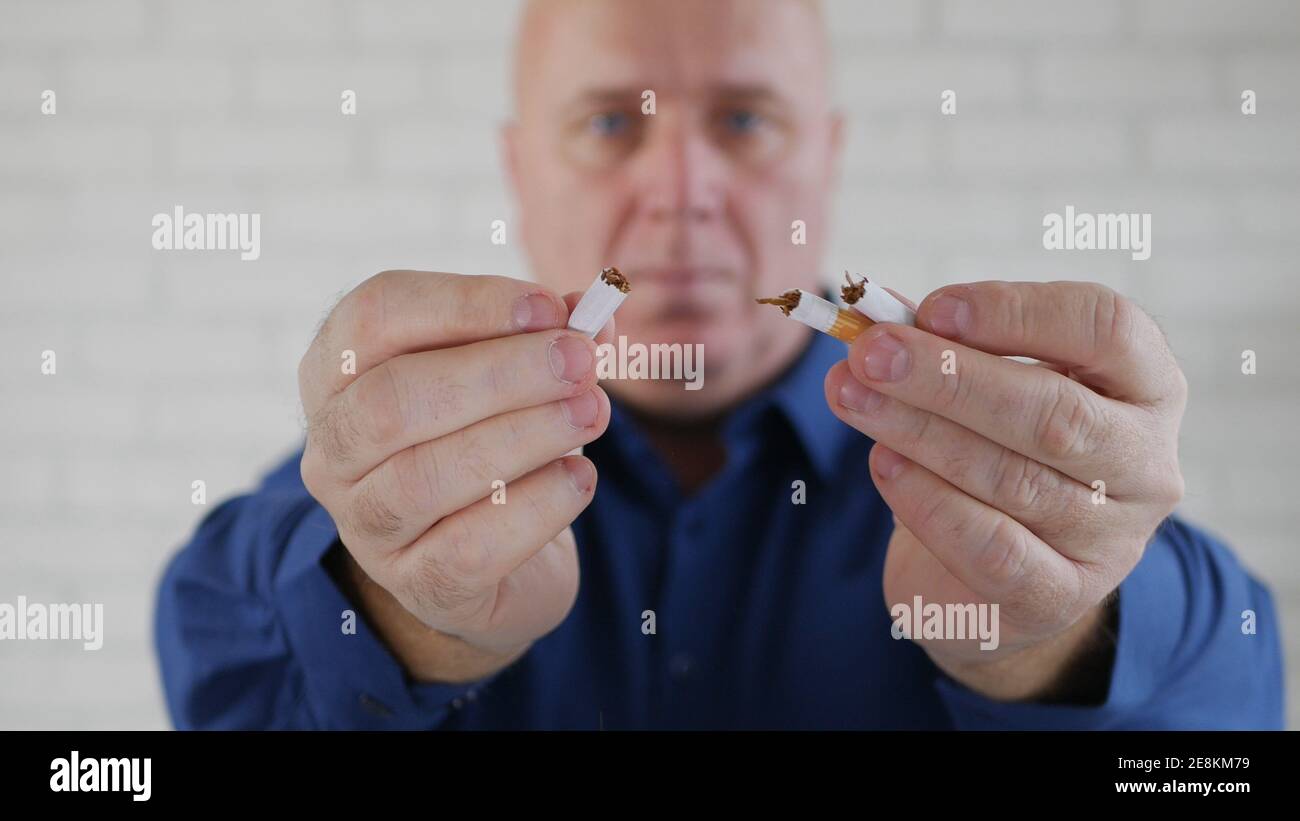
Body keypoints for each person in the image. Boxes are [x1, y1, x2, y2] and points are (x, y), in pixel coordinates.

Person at [154, 0, 1283, 729]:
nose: (685, 187)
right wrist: (403, 612)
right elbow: (219, 641)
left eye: (744, 119)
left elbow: (1227, 696)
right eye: (608, 124)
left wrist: (1056, 633)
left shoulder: (977, 469)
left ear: (826, 161)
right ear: (517, 172)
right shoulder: (390, 485)